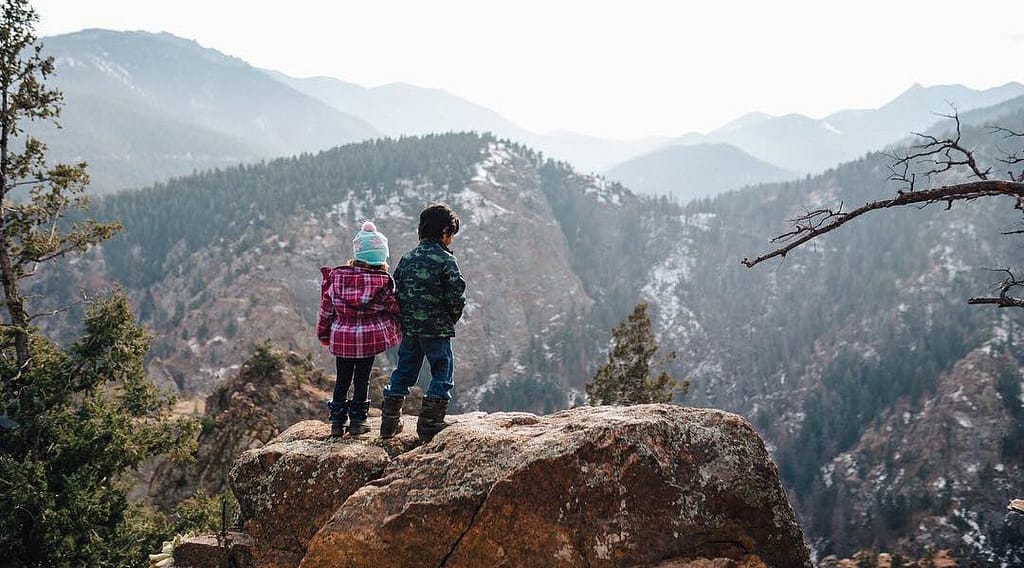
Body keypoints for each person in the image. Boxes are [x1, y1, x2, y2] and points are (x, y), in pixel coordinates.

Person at [380, 203, 466, 442]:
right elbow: (457, 296)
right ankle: (430, 423)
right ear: (445, 232)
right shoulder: (446, 260)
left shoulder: (407, 258)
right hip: (436, 330)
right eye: (451, 234)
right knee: (442, 371)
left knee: (404, 371)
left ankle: (389, 422)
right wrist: (448, 319)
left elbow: (396, 291)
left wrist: (405, 319)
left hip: (410, 329)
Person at [317, 221, 401, 436]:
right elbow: (395, 308)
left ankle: (337, 422)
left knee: (342, 379)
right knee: (362, 379)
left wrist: (324, 334)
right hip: (368, 340)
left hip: (342, 339)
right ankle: (357, 421)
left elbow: (326, 311)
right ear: (381, 259)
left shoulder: (337, 280)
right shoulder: (383, 284)